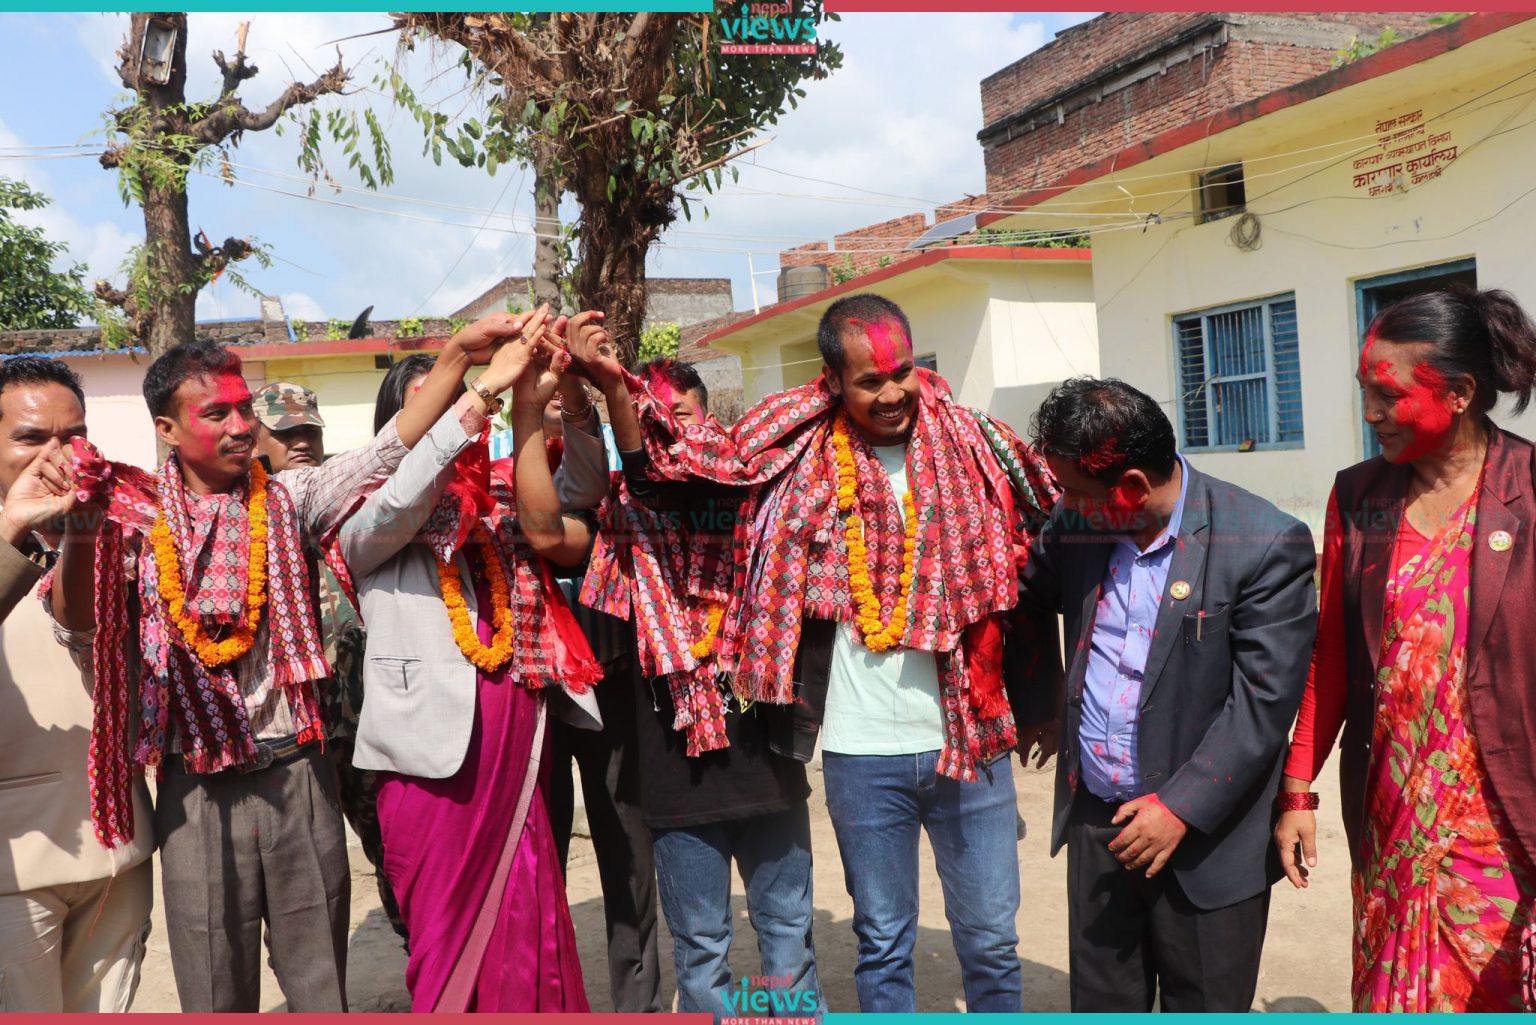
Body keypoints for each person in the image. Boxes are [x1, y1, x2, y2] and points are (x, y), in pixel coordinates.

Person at [581, 294, 1058, 1013]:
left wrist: (1044, 696)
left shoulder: (974, 443)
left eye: (902, 372)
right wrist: (615, 390)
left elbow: (1040, 554)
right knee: (884, 941)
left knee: (991, 941)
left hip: (970, 738)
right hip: (861, 754)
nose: (892, 393)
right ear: (832, 380)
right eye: (870, 381)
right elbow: (666, 481)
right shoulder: (793, 452)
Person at [47, 314, 527, 1012]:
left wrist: (464, 364)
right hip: (194, 790)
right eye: (218, 413)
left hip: (300, 773)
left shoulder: (291, 499)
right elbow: (79, 624)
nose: (242, 426)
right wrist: (81, 528)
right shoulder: (132, 521)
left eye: (245, 409)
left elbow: (390, 449)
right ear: (167, 428)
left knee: (320, 986)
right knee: (215, 991)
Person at [1016, 376, 1316, 1011]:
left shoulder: (1263, 542)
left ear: (1131, 488)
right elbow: (1025, 598)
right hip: (1101, 825)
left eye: (1074, 491)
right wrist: (1040, 702)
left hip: (1206, 844)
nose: (1063, 503)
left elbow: (1262, 706)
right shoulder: (1076, 526)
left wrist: (1179, 806)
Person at [339, 310, 607, 1012]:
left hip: (517, 750)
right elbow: (404, 494)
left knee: (527, 935)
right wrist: (483, 390)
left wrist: (553, 399)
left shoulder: (499, 500)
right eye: (434, 406)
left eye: (458, 403)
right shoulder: (365, 517)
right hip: (428, 769)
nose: (457, 418)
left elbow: (583, 491)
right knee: (444, 948)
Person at [1276, 287, 1536, 1012]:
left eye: (1388, 395)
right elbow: (1331, 656)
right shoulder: (1359, 498)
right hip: (1391, 819)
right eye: (1364, 391)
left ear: (1459, 393)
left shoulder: (1529, 491)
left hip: (1504, 823)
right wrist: (1297, 789)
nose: (1370, 413)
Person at [575, 349, 817, 1018]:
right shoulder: (627, 511)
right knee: (703, 951)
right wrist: (595, 396)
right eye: (652, 419)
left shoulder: (747, 490)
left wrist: (618, 397)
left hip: (766, 768)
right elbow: (643, 480)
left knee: (787, 940)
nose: (668, 433)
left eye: (678, 416)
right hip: (675, 777)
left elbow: (668, 479)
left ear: (708, 417)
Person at [0, 357, 155, 1011]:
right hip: (16, 864)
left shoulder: (120, 525)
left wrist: (85, 529)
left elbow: (81, 622)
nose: (57, 456)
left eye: (74, 436)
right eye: (31, 438)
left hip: (118, 848)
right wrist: (12, 529)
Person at [503, 396, 663, 1014]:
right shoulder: (494, 470)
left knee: (626, 848)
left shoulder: (612, 466)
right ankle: (550, 998)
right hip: (533, 694)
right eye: (539, 381)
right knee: (539, 857)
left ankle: (638, 1003)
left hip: (611, 680)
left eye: (564, 384)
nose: (552, 394)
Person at [253, 381, 406, 943]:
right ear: (254, 440)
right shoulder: (246, 515)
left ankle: (419, 945)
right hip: (299, 729)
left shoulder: (348, 496)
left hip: (375, 710)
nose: (300, 441)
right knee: (305, 868)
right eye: (284, 432)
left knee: (395, 844)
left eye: (308, 431)